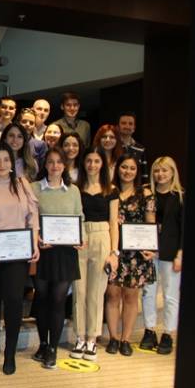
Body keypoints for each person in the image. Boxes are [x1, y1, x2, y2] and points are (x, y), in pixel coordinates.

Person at [0, 142, 39, 375]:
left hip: (18, 255)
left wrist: (34, 242)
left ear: (12, 163)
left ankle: (10, 353)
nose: (1, 164)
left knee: (14, 301)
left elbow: (32, 216)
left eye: (6, 159)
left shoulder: (21, 185)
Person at [31, 148, 85, 369]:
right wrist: (36, 238)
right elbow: (29, 217)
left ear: (65, 166)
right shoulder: (34, 188)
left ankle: (53, 348)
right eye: (51, 162)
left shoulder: (73, 190)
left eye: (59, 162)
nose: (55, 166)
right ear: (45, 165)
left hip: (65, 252)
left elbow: (79, 216)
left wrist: (80, 237)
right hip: (42, 251)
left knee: (58, 300)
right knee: (42, 298)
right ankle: (43, 344)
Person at [71, 147, 119, 362]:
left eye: (96, 161)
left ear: (103, 164)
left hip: (102, 237)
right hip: (80, 238)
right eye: (88, 160)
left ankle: (92, 338)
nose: (92, 165)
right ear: (83, 163)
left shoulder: (111, 189)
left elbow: (114, 223)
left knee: (96, 292)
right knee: (79, 290)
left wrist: (114, 253)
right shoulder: (75, 188)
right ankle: (80, 337)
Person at [105, 154, 156, 357]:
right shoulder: (109, 190)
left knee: (130, 297)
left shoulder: (145, 194)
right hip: (114, 251)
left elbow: (150, 223)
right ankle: (113, 338)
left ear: (137, 171)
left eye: (132, 168)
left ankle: (125, 339)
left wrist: (151, 247)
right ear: (117, 168)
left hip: (137, 255)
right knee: (112, 295)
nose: (127, 171)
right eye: (124, 167)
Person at [140, 156, 184, 355]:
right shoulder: (146, 194)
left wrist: (180, 254)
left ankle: (168, 333)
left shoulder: (181, 197)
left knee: (170, 295)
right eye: (157, 170)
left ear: (173, 172)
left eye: (165, 170)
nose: (160, 174)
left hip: (170, 253)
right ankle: (149, 331)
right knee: (148, 293)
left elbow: (185, 229)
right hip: (148, 252)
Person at [117, 112, 148, 184]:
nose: (127, 126)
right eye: (123, 123)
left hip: (135, 189)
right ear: (118, 127)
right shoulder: (112, 146)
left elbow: (144, 175)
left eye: (130, 124)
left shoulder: (141, 149)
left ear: (134, 128)